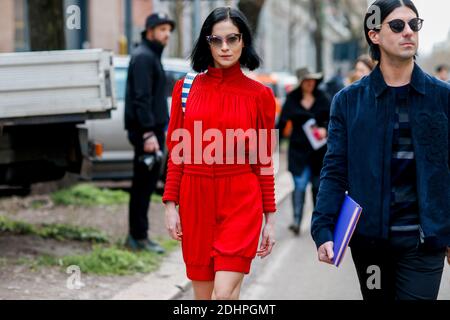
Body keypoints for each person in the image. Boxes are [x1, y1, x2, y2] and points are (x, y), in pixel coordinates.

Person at [311, 0, 450, 300]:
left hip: (424, 245)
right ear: (374, 34)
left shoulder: (442, 98)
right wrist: (322, 226)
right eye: (397, 26)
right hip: (371, 245)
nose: (408, 33)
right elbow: (334, 170)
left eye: (414, 25)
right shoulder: (348, 102)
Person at [162, 7, 277, 300]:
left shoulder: (260, 96)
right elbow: (178, 153)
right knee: (203, 298)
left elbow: (263, 161)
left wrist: (270, 219)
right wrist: (170, 205)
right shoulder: (185, 89)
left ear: (244, 41)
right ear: (207, 42)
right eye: (216, 40)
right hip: (195, 198)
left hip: (241, 199)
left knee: (223, 294)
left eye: (233, 39)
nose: (225, 47)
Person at [124, 13, 176, 253]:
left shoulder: (151, 55)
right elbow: (141, 98)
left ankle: (139, 235)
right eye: (162, 29)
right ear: (149, 30)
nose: (167, 34)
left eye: (169, 29)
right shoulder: (144, 57)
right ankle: (138, 237)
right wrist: (147, 133)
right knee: (143, 186)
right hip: (147, 133)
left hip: (153, 130)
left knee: (145, 185)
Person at [276, 68, 330, 236]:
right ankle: (297, 221)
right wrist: (271, 145)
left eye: (312, 80)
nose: (310, 83)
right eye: (306, 80)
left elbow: (334, 120)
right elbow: (282, 123)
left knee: (317, 187)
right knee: (299, 185)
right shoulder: (292, 99)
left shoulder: (323, 98)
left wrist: (325, 130)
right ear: (300, 82)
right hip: (298, 152)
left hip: (319, 152)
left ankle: (317, 224)